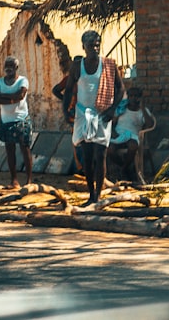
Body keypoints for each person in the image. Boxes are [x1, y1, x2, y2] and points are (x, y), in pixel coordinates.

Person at [63, 30, 123, 206]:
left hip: (102, 113)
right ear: (83, 47)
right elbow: (67, 90)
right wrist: (67, 111)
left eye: (97, 44)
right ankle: (91, 195)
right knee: (87, 156)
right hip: (83, 114)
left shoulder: (109, 65)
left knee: (101, 154)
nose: (95, 48)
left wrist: (112, 109)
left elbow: (120, 90)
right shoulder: (77, 66)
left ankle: (98, 195)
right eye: (91, 45)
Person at [0, 56, 33, 189]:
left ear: (16, 68)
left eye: (11, 66)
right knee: (10, 150)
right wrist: (11, 99)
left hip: (21, 120)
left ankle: (29, 180)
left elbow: (20, 96)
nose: (8, 69)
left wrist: (3, 96)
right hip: (6, 120)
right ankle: (14, 180)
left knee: (25, 149)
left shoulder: (22, 80)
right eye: (6, 66)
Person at [108, 86, 155, 185]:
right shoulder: (122, 108)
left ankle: (124, 169)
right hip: (119, 135)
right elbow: (111, 123)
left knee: (133, 145)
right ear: (128, 97)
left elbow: (150, 124)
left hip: (133, 136)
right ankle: (125, 168)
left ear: (140, 98)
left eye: (136, 96)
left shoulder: (143, 111)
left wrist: (142, 108)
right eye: (131, 96)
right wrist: (113, 132)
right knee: (109, 149)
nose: (133, 98)